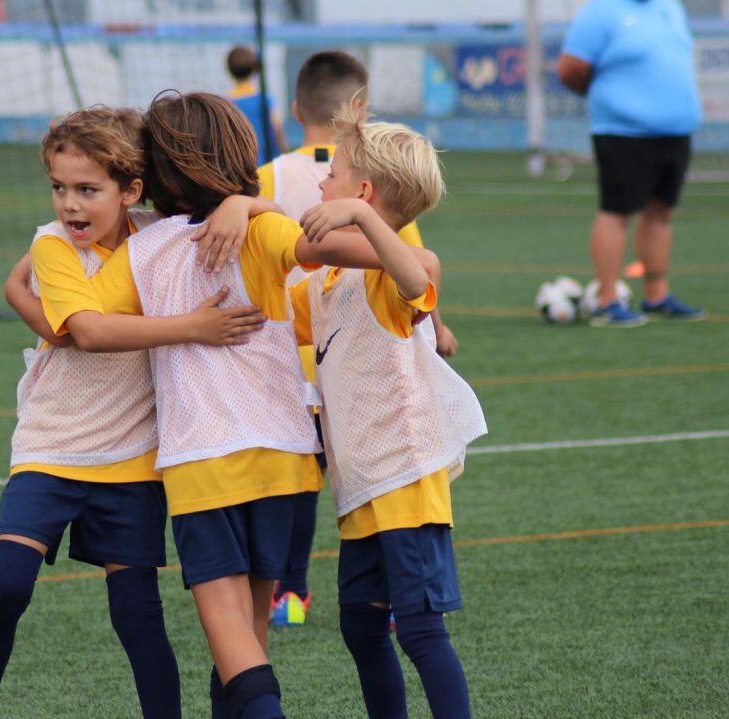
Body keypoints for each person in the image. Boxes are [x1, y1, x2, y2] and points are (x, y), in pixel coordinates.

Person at [66, 91, 405, 719]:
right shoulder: (262, 228)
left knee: (239, 656)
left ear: (156, 170)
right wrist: (251, 206)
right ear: (237, 157)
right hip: (284, 462)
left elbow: (80, 325)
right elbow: (357, 256)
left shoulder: (142, 249)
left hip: (205, 465)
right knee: (245, 654)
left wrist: (20, 290)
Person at [0, 107, 268, 719]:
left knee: (137, 616)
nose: (69, 204)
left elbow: (267, 215)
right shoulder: (52, 245)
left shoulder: (159, 234)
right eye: (58, 187)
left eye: (86, 189)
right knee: (4, 584)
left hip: (132, 457)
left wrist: (239, 204)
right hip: (52, 447)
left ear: (131, 191)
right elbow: (91, 333)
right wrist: (195, 328)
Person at [294, 105, 487, 719]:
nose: (322, 182)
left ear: (364, 193)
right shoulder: (328, 280)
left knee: (421, 631)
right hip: (361, 486)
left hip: (405, 478)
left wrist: (355, 219)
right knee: (360, 627)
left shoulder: (390, 271)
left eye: (333, 174)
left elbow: (417, 274)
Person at [257, 50, 459, 627]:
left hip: (318, 361)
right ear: (359, 105)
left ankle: (289, 595)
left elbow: (409, 265)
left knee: (301, 481)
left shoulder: (270, 174)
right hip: (317, 332)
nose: (327, 183)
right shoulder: (355, 179)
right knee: (329, 478)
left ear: (295, 109)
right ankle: (375, 597)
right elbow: (404, 248)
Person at [558, 0, 706, 327]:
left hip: (676, 130)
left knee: (661, 211)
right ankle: (607, 301)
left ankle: (657, 295)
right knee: (616, 212)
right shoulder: (600, 11)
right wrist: (616, 98)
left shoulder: (671, 7)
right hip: (623, 132)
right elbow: (570, 69)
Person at [226, 45, 288, 165]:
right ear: (255, 69)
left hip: (243, 164)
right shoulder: (265, 99)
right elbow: (278, 130)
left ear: (229, 70)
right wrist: (285, 154)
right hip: (268, 162)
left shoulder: (227, 103)